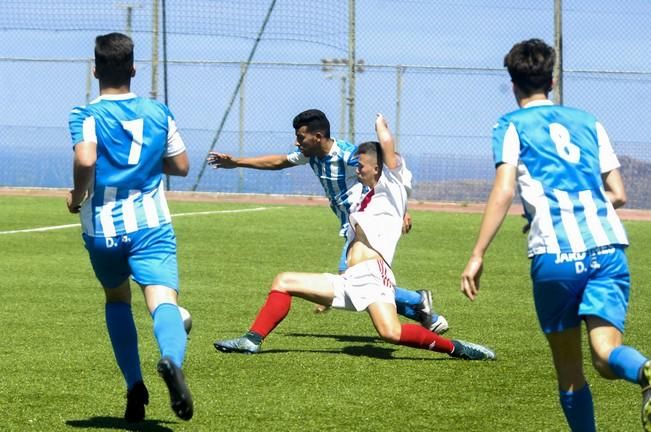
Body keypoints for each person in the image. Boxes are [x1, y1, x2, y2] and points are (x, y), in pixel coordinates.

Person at [460, 38, 650, 431]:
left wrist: (478, 253)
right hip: (607, 248)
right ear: (553, 79)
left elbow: (505, 188)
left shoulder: (509, 125)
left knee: (570, 372)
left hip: (556, 256)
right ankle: (646, 370)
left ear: (513, 84)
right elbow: (619, 193)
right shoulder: (588, 121)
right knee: (605, 354)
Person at [213, 114, 494, 361]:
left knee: (390, 333)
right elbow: (281, 161)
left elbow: (389, 162)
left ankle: (454, 346)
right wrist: (237, 162)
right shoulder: (353, 197)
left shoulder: (376, 176)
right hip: (350, 274)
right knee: (283, 281)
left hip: (374, 274)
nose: (356, 171)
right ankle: (251, 340)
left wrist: (382, 131)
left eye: (361, 167)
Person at [67, 32, 193, 422]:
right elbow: (181, 166)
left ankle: (134, 385)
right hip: (151, 225)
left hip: (102, 229)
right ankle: (171, 360)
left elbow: (86, 160)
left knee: (117, 299)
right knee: (163, 303)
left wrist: (76, 195)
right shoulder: (159, 112)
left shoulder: (85, 114)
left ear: (95, 69)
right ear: (134, 69)